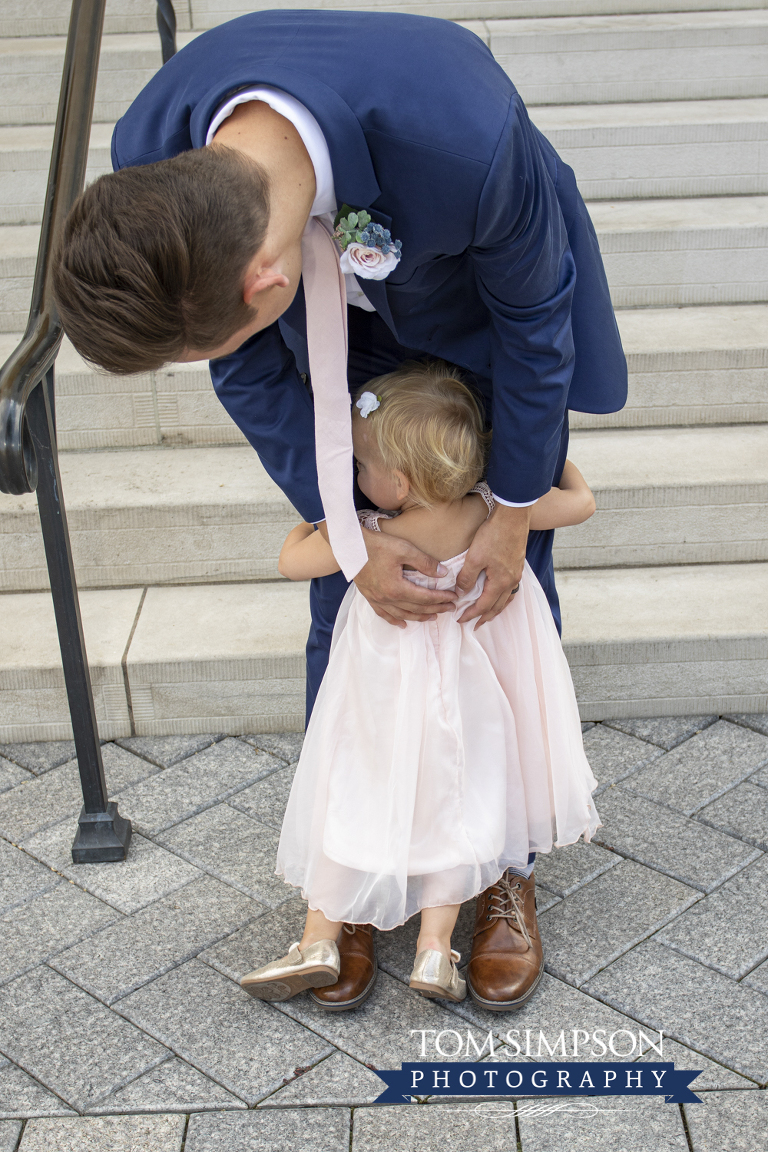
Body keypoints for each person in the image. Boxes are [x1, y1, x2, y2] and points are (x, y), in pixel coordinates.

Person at [52, 9, 626, 1009]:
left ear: (265, 278)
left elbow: (537, 325)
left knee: (501, 598)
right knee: (355, 614)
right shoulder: (156, 161)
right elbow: (248, 372)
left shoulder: (462, 136)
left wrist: (515, 508)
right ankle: (353, 871)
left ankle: (501, 869)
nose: (208, 367)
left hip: (484, 337)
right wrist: (349, 536)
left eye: (199, 347)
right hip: (344, 370)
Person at [239, 361, 599, 1011]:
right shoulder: (489, 511)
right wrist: (554, 465)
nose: (355, 479)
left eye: (360, 466)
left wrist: (320, 529)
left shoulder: (375, 532)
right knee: (459, 807)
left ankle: (320, 936)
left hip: (385, 700)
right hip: (468, 704)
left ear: (396, 482)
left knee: (352, 790)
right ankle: (437, 949)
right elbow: (582, 503)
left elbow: (292, 560)